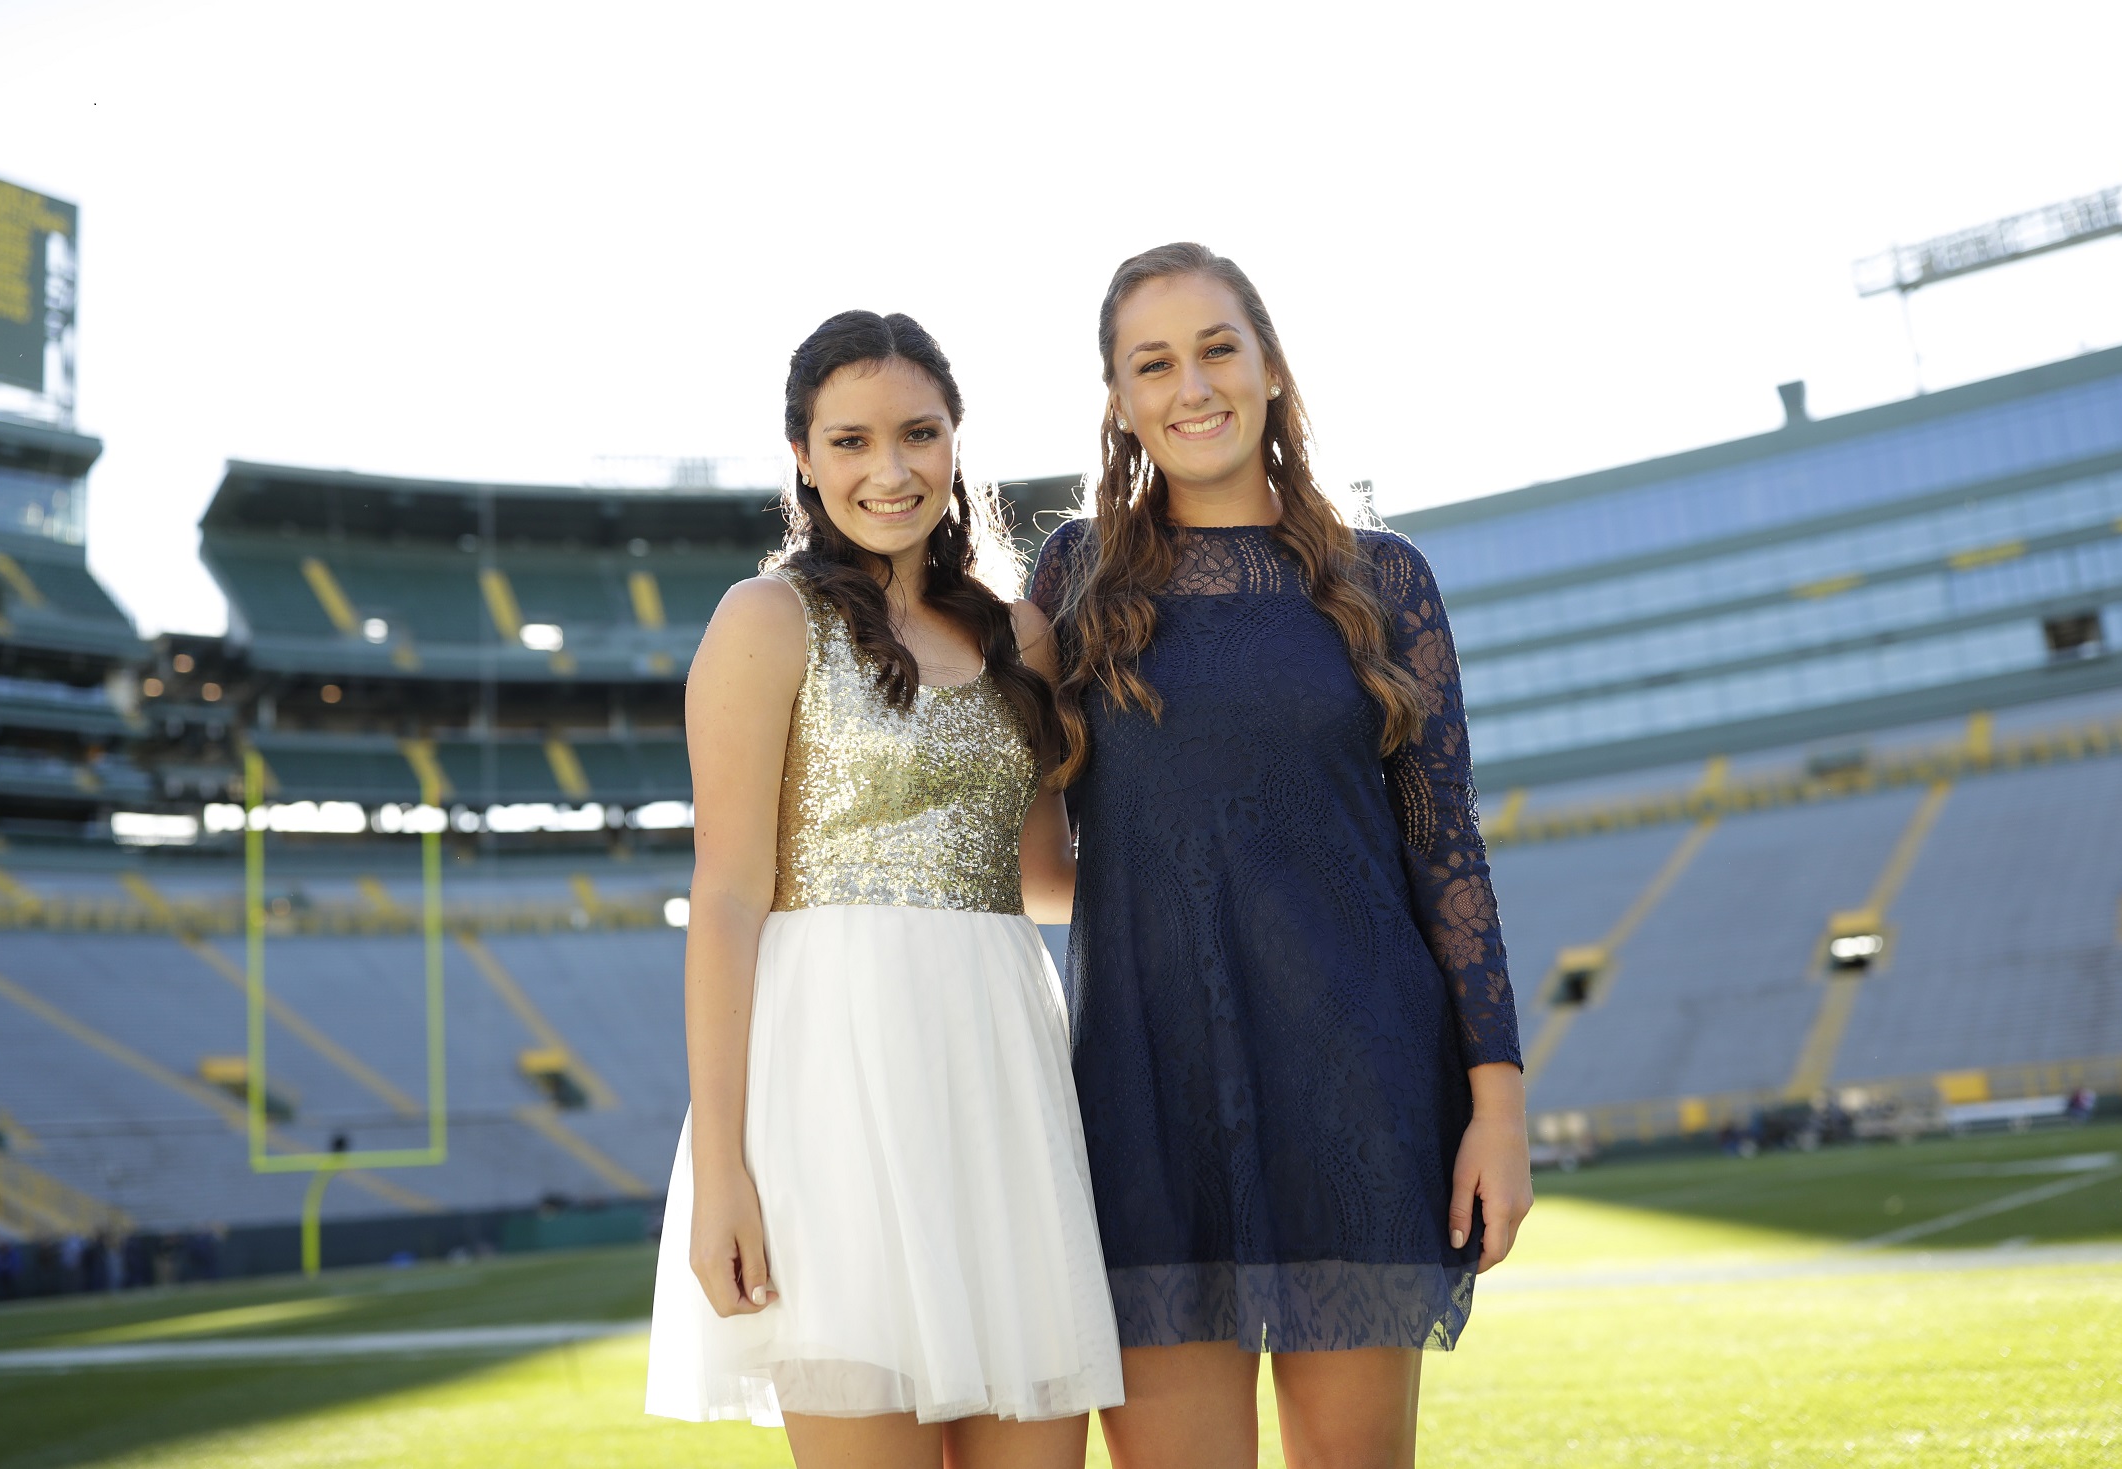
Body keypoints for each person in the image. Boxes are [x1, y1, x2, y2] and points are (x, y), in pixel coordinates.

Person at [1028, 243, 1533, 1469]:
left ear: (1266, 366)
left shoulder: (1384, 577)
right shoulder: (1072, 582)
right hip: (1144, 1096)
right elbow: (1040, 853)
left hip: (1355, 1080)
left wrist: (1497, 1099)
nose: (1189, 385)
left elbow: (1443, 843)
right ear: (1118, 399)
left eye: (1215, 348)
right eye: (1152, 362)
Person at [646, 310, 1123, 1468]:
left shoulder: (1023, 635)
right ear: (803, 457)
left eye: (917, 433)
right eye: (850, 439)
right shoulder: (765, 621)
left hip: (1004, 1078)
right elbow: (724, 902)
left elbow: (1047, 880)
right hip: (829, 1098)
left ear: (955, 442)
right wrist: (723, 1172)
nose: (889, 469)